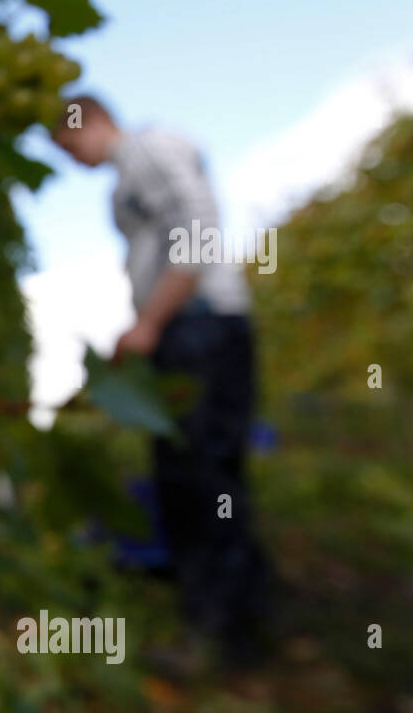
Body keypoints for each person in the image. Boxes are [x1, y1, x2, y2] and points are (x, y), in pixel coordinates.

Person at [52, 95, 269, 672]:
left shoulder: (148, 149)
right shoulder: (128, 176)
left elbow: (198, 229)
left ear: (90, 121)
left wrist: (150, 321)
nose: (72, 159)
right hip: (187, 329)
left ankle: (219, 633)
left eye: (69, 145)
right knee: (195, 472)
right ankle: (237, 611)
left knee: (200, 477)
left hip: (200, 329)